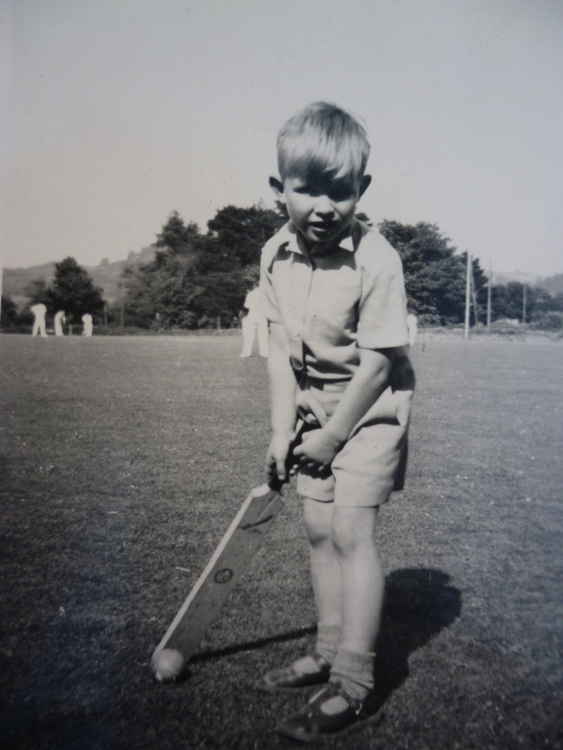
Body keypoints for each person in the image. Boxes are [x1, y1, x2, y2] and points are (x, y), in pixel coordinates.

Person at [259, 102, 415, 741]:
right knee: (319, 531)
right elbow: (276, 350)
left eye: (340, 190)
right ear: (279, 192)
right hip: (313, 412)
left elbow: (380, 362)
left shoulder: (377, 258)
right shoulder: (273, 254)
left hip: (369, 411)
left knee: (351, 534)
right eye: (307, 189)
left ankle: (354, 680)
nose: (324, 205)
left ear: (361, 191)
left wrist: (332, 434)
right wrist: (280, 429)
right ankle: (326, 648)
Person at [240, 286, 269, 358]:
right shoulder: (265, 295)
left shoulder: (251, 294)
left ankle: (246, 353)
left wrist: (242, 315)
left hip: (251, 316)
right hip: (262, 317)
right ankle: (264, 353)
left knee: (248, 336)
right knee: (263, 336)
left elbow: (246, 307)